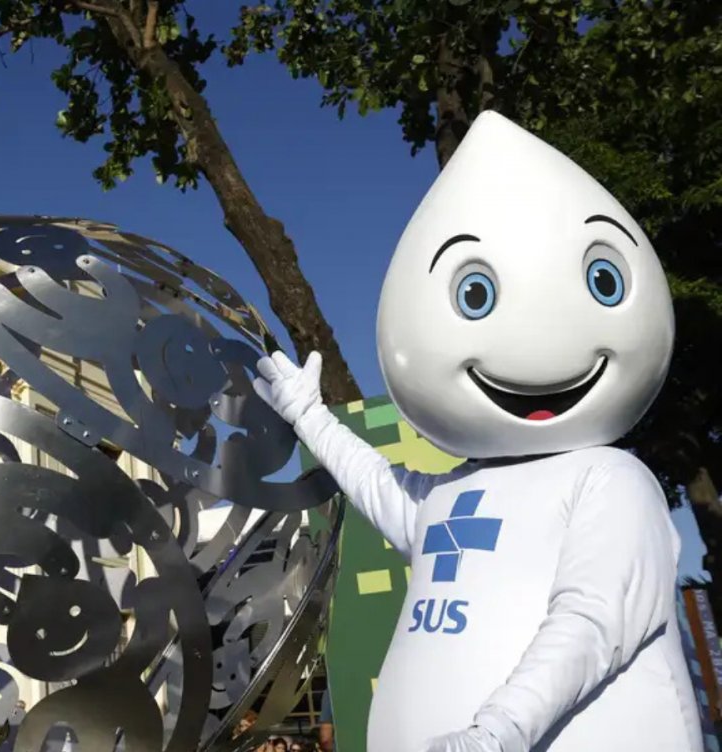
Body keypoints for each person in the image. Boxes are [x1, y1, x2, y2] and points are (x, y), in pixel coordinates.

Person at [254, 110, 702, 751]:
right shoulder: (443, 500)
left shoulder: (609, 478)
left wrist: (495, 733)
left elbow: (595, 618)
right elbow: (372, 479)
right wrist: (309, 416)